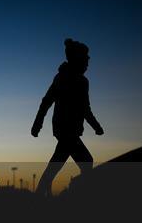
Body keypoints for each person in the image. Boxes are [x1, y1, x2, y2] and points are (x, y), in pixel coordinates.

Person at [31, 38, 104, 196]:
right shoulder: (64, 78)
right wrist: (37, 124)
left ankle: (41, 193)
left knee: (58, 163)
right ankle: (79, 194)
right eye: (85, 60)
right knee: (85, 162)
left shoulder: (81, 81)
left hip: (66, 129)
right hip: (66, 129)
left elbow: (84, 108)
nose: (87, 63)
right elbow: (47, 101)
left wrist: (96, 126)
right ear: (78, 60)